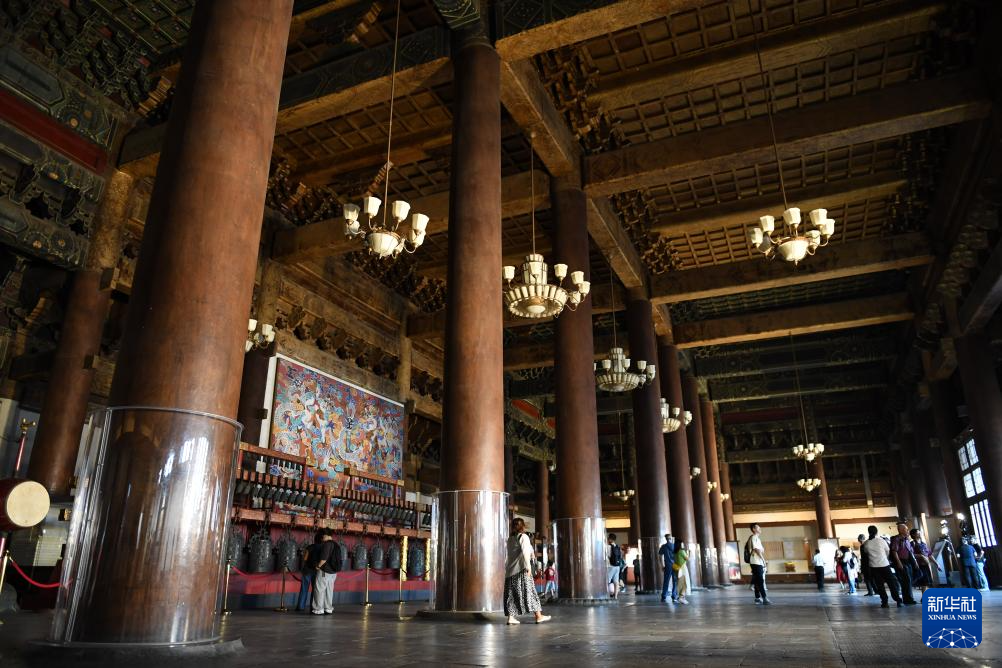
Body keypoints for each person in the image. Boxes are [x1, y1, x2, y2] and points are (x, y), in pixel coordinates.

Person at [504, 517, 550, 625]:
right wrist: (528, 567)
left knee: (511, 595)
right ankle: (538, 616)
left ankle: (511, 618)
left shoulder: (510, 539)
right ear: (522, 526)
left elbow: (510, 555)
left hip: (510, 571)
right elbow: (525, 552)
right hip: (521, 570)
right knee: (530, 592)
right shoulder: (523, 537)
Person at [862, 525, 902, 608]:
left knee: (880, 586)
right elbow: (887, 551)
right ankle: (898, 600)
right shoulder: (881, 540)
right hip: (885, 565)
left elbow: (866, 553)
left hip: (873, 566)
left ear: (868, 532)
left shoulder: (866, 543)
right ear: (877, 531)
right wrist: (885, 558)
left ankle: (885, 602)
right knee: (892, 584)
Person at [889, 523, 918, 605]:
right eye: (906, 529)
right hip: (901, 562)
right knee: (906, 580)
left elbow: (910, 551)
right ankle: (908, 599)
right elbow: (894, 551)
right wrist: (898, 563)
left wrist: (915, 561)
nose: (907, 530)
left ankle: (908, 598)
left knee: (909, 580)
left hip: (908, 561)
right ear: (901, 530)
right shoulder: (896, 539)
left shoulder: (906, 539)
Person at [311, 530, 338, 615]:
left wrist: (318, 566)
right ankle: (328, 608)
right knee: (329, 590)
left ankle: (318, 609)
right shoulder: (336, 544)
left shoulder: (327, 544)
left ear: (326, 535)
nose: (322, 539)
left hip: (324, 571)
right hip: (333, 572)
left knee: (319, 590)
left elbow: (324, 559)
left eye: (322, 537)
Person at [296, 531, 321, 611]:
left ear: (314, 540)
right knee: (315, 590)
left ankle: (300, 606)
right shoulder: (322, 548)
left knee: (304, 589)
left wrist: (303, 567)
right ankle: (312, 607)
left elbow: (305, 559)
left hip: (307, 570)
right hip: (316, 571)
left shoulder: (310, 547)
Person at [747, 523, 771, 605]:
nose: (760, 529)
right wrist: (763, 559)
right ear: (754, 529)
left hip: (757, 561)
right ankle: (764, 598)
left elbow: (761, 550)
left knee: (758, 579)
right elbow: (757, 550)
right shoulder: (754, 537)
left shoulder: (757, 538)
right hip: (756, 561)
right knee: (760, 580)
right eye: (758, 527)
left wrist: (761, 553)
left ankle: (757, 598)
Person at [909, 528, 935, 595]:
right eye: (918, 533)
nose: (920, 533)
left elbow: (929, 554)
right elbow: (910, 554)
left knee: (926, 582)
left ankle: (923, 596)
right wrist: (920, 556)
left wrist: (936, 564)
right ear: (913, 535)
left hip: (926, 565)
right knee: (923, 582)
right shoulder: (912, 544)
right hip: (919, 565)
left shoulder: (923, 543)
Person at [658, 533, 677, 603]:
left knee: (666, 581)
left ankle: (664, 595)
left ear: (666, 539)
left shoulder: (663, 546)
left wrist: (662, 565)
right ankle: (674, 595)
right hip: (675, 565)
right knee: (675, 581)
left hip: (667, 565)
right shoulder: (674, 546)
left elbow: (660, 556)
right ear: (671, 538)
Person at [674, 538, 690, 605]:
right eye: (682, 543)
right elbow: (687, 558)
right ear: (680, 544)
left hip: (677, 569)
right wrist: (689, 553)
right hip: (683, 568)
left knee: (680, 583)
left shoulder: (674, 552)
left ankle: (679, 597)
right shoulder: (681, 551)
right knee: (684, 583)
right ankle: (681, 598)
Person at [607, 533, 622, 599]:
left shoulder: (608, 546)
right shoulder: (617, 546)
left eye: (608, 538)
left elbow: (608, 556)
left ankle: (607, 595)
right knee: (616, 582)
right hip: (617, 566)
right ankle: (615, 596)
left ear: (610, 539)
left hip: (611, 566)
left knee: (607, 581)